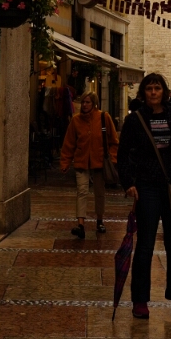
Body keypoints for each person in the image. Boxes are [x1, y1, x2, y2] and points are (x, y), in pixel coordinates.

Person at [116, 72, 171, 319]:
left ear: (164, 92)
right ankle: (140, 300)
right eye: (149, 88)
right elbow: (123, 153)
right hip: (147, 187)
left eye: (157, 88)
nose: (153, 92)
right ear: (143, 92)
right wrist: (128, 183)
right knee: (145, 246)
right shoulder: (135, 119)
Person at [60, 92, 119, 239]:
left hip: (100, 162)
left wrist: (112, 158)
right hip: (81, 161)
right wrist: (65, 162)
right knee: (82, 191)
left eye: (88, 102)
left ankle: (100, 220)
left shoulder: (104, 117)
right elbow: (69, 143)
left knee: (99, 192)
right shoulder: (76, 120)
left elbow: (114, 141)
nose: (85, 105)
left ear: (94, 104)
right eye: (83, 102)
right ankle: (80, 224)